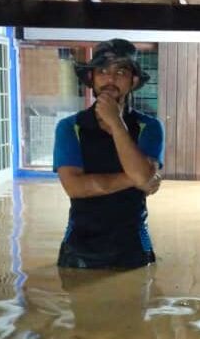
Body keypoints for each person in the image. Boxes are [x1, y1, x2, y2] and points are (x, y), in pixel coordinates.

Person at [53, 38, 164, 269]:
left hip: (133, 247)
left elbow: (144, 178)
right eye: (102, 71)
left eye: (120, 72)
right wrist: (137, 178)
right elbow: (74, 187)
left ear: (133, 81)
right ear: (91, 78)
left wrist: (115, 122)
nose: (110, 78)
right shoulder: (69, 127)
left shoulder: (150, 127)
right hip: (78, 250)